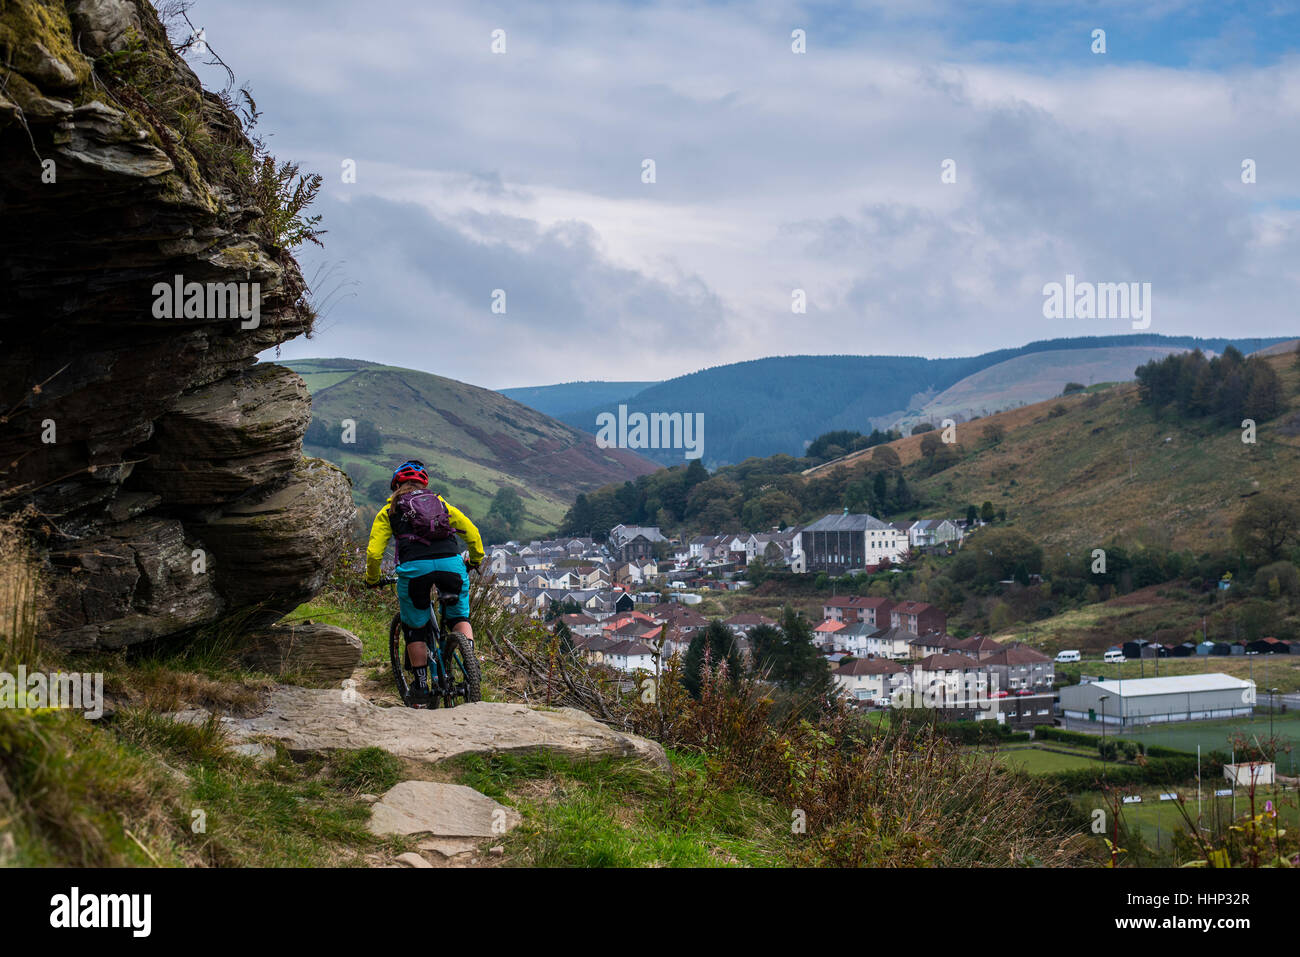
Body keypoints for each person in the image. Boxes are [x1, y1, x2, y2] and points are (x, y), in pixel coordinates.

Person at [365, 460, 484, 704]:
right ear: (424, 484)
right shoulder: (441, 503)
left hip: (414, 569)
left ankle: (420, 685)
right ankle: (470, 667)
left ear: (396, 485)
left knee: (415, 628)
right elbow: (472, 532)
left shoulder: (390, 510)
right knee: (459, 618)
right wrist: (475, 560)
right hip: (451, 564)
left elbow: (374, 554)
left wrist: (373, 579)